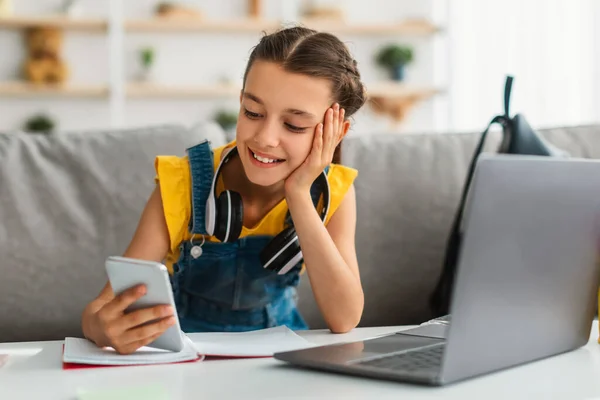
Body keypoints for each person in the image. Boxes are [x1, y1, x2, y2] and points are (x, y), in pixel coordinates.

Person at [81, 25, 367, 355]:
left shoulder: (333, 193)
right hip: (189, 360)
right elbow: (98, 310)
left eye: (294, 125)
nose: (265, 137)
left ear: (335, 131)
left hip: (280, 361)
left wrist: (300, 194)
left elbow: (344, 319)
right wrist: (99, 328)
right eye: (253, 112)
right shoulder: (182, 182)